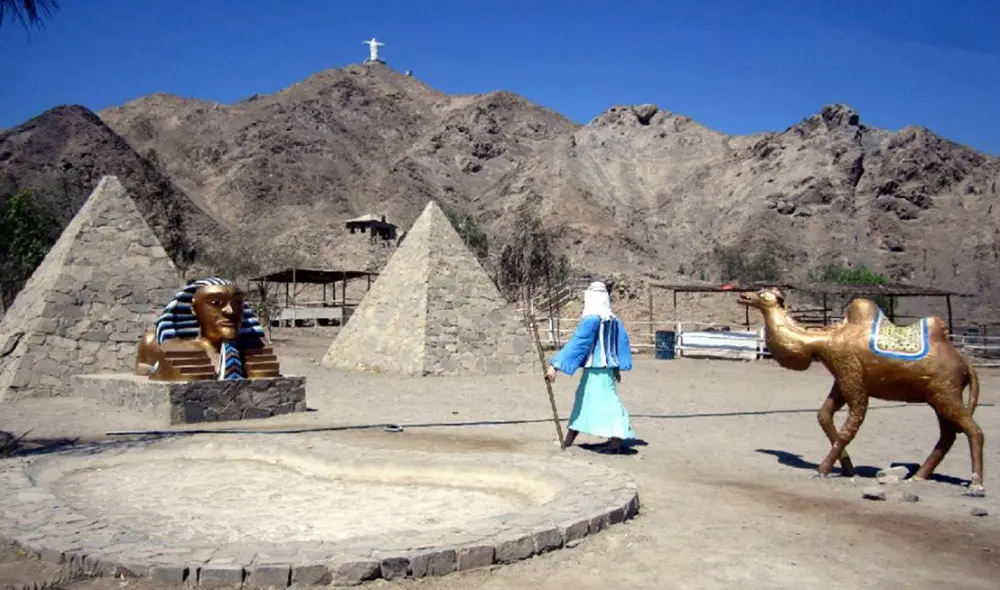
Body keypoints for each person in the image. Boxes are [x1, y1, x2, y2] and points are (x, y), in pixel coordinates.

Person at [545, 280, 636, 452]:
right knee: (584, 402)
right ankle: (570, 439)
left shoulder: (592, 319)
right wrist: (615, 366)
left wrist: (555, 366)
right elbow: (620, 343)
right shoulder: (614, 320)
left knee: (606, 403)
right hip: (605, 369)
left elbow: (578, 343)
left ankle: (615, 441)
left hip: (596, 369)